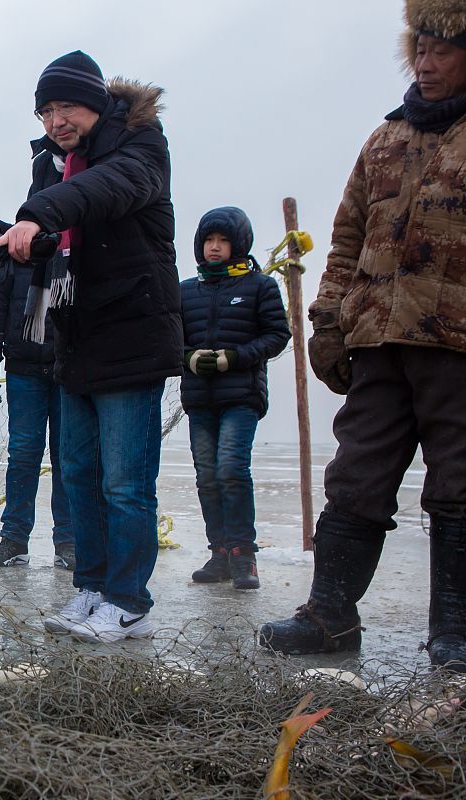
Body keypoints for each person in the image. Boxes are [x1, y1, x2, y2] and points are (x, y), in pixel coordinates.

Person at [260, 0, 466, 670]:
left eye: (443, 52)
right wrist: (326, 319)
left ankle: (455, 632)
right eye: (420, 51)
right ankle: (329, 619)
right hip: (378, 342)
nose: (427, 66)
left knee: (458, 485)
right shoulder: (386, 138)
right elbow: (347, 238)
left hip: (456, 348)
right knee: (355, 478)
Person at [0, 51, 181, 643]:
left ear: (95, 101)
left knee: (124, 482)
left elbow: (103, 192)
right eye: (45, 110)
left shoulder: (141, 148)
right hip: (75, 338)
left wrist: (35, 212)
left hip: (132, 335)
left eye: (66, 105)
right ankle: (90, 588)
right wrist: (5, 238)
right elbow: (53, 241)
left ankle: (129, 600)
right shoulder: (56, 167)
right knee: (77, 472)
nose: (56, 119)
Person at [180, 207, 290, 591]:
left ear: (238, 244)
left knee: (230, 468)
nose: (214, 247)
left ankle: (244, 554)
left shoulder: (261, 286)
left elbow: (278, 334)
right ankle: (220, 552)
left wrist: (234, 357)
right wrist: (187, 357)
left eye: (222, 241)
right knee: (207, 476)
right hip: (198, 397)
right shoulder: (186, 291)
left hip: (241, 396)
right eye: (209, 240)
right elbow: (169, 337)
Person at [0, 233, 74, 570]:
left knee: (68, 457)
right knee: (23, 454)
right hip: (23, 370)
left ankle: (69, 541)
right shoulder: (9, 262)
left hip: (69, 371)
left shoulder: (71, 256)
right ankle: (14, 538)